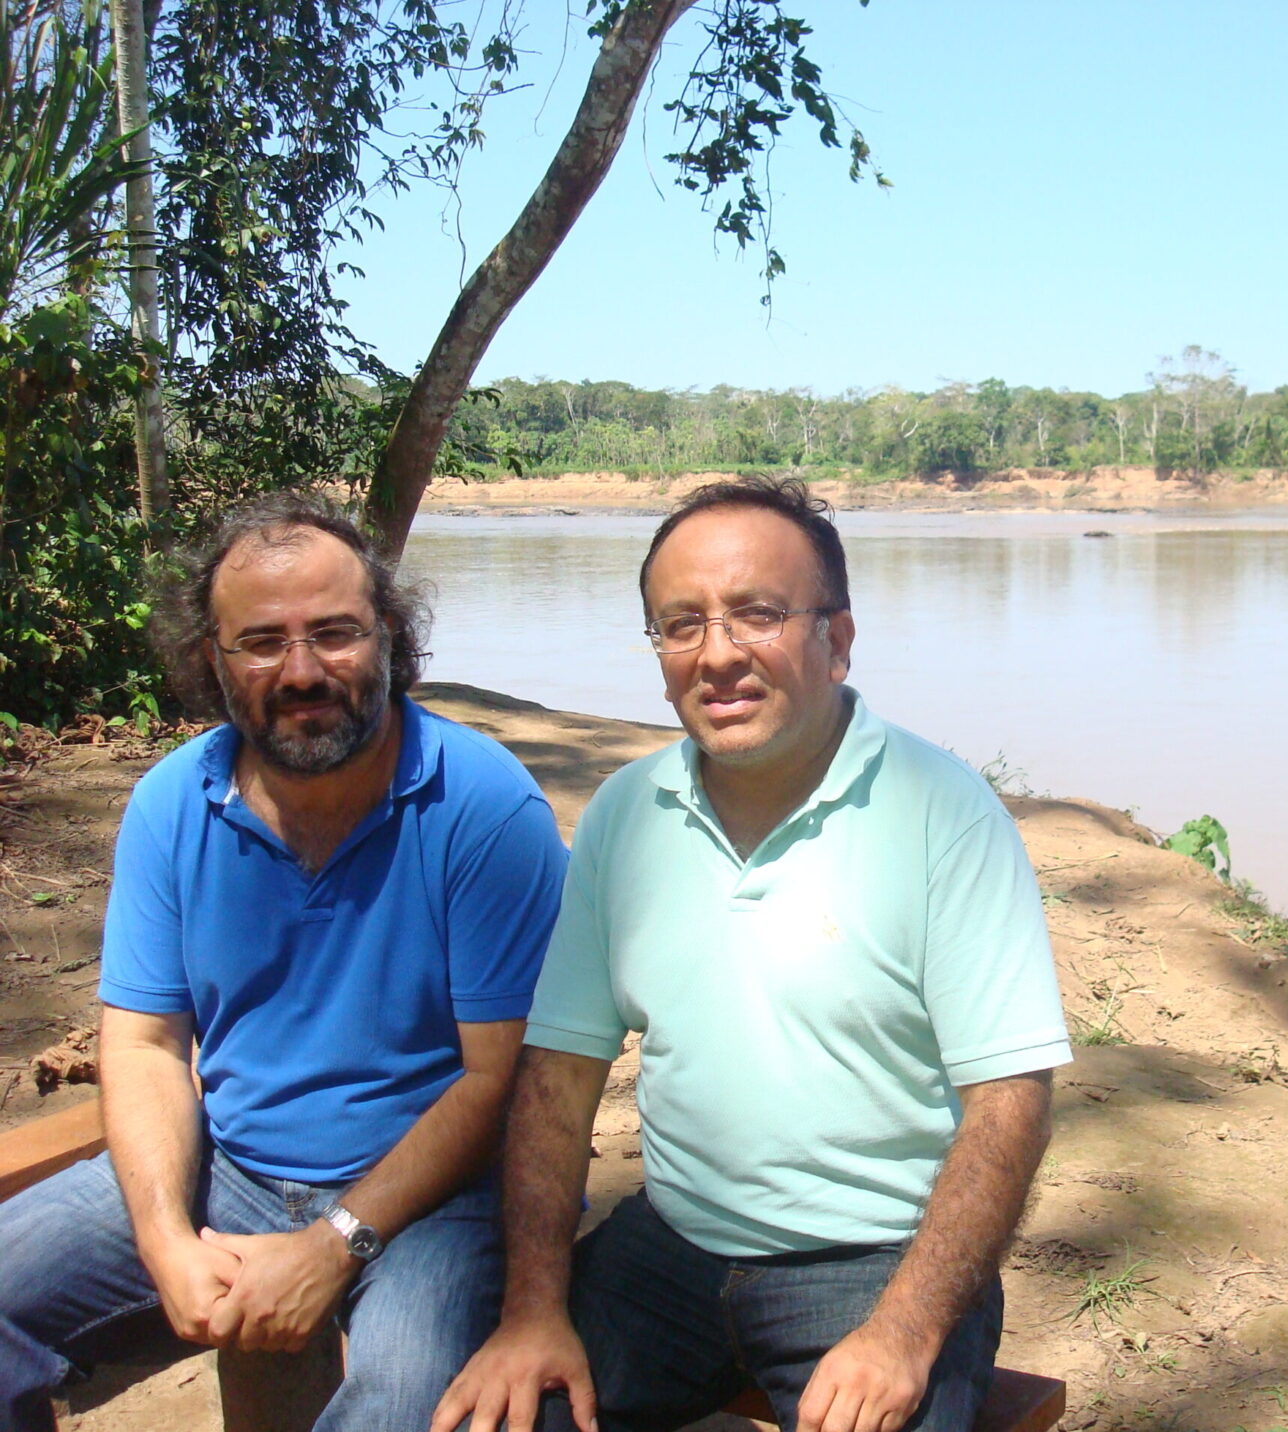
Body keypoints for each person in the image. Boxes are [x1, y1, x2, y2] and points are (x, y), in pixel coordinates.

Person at [434, 476, 1071, 1432]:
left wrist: (903, 1330)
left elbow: (1009, 1100)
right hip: (669, 1247)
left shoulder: (943, 815)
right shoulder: (625, 815)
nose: (717, 654)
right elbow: (559, 1074)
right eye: (680, 624)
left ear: (839, 638)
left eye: (758, 614)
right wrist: (533, 1309)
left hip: (878, 1259)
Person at [0, 494, 570, 1432]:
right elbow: (144, 1045)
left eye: (335, 634)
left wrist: (334, 1242)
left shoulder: (481, 805)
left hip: (437, 1197)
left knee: (408, 1407)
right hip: (229, 1164)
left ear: (388, 633)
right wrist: (165, 1240)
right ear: (213, 658)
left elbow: (496, 1077)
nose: (302, 671)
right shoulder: (172, 803)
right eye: (262, 642)